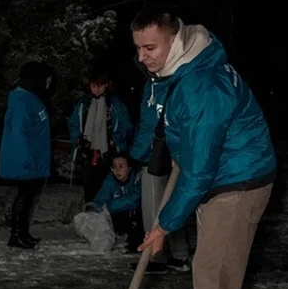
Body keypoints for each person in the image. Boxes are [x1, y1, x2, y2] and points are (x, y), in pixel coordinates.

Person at [131, 10, 277, 289]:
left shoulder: (201, 85)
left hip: (237, 181)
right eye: (138, 49)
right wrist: (134, 155)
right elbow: (155, 119)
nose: (142, 57)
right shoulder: (172, 72)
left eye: (150, 48)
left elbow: (198, 171)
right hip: (215, 174)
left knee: (211, 276)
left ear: (174, 40)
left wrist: (164, 225)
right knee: (218, 272)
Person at [128, 39, 194, 274]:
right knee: (173, 202)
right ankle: (179, 254)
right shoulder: (165, 81)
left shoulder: (161, 84)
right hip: (173, 152)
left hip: (157, 156)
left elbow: (150, 123)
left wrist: (135, 156)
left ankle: (155, 258)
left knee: (155, 206)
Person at [0, 61, 54, 250]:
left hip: (33, 159)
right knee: (24, 195)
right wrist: (26, 158)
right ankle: (16, 235)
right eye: (46, 80)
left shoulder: (31, 98)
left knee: (28, 196)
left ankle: (22, 233)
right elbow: (18, 133)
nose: (48, 84)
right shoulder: (23, 101)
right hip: (28, 160)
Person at [68, 69, 133, 203]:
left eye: (100, 85)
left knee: (108, 188)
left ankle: (108, 216)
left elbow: (126, 125)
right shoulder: (84, 104)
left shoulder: (115, 103)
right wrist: (78, 139)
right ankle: (90, 216)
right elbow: (73, 123)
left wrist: (114, 140)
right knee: (89, 188)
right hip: (88, 153)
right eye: (93, 85)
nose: (97, 89)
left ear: (106, 85)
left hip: (109, 154)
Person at [91, 152, 144, 253]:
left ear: (129, 168)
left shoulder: (137, 179)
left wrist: (109, 207)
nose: (117, 170)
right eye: (114, 166)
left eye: (121, 166)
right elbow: (100, 201)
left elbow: (134, 200)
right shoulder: (110, 180)